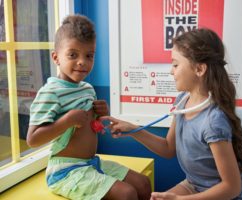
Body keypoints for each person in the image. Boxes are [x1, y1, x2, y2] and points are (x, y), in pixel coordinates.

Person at [102, 28, 242, 200]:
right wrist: (134, 130)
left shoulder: (213, 122)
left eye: (175, 65)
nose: (171, 71)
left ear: (199, 69)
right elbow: (168, 148)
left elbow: (232, 187)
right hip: (195, 185)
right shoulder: (183, 101)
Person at [26, 14, 151, 200]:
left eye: (89, 55)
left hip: (90, 162)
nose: (82, 61)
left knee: (143, 184)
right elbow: (32, 139)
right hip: (64, 171)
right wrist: (67, 121)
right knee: (127, 194)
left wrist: (101, 116)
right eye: (72, 55)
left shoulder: (87, 89)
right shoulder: (51, 92)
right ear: (56, 57)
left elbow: (93, 127)